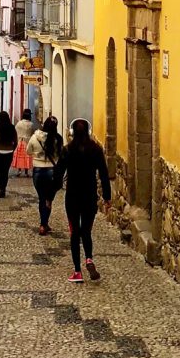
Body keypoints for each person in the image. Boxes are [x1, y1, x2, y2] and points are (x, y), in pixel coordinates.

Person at [52, 118, 111, 283]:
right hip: (90, 196)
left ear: (71, 133)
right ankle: (89, 259)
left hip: (72, 196)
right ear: (89, 132)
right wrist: (107, 197)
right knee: (86, 231)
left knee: (74, 233)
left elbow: (58, 174)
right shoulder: (96, 150)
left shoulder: (67, 150)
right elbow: (104, 175)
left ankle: (77, 271)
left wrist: (50, 195)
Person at [27, 115, 62, 236]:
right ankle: (44, 223)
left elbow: (28, 151)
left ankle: (43, 225)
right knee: (48, 200)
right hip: (52, 171)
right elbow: (60, 155)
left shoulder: (35, 137)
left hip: (38, 171)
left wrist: (38, 155)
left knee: (41, 198)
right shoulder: (57, 139)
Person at [0, 111, 18, 197]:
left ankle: (1, 188)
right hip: (9, 152)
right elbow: (16, 140)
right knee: (5, 172)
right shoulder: (12, 128)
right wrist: (12, 149)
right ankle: (4, 188)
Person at [12, 109, 35, 177]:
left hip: (20, 142)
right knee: (27, 157)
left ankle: (19, 170)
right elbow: (32, 133)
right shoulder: (31, 124)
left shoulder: (19, 123)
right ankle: (26, 171)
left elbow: (16, 132)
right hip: (27, 142)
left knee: (20, 157)